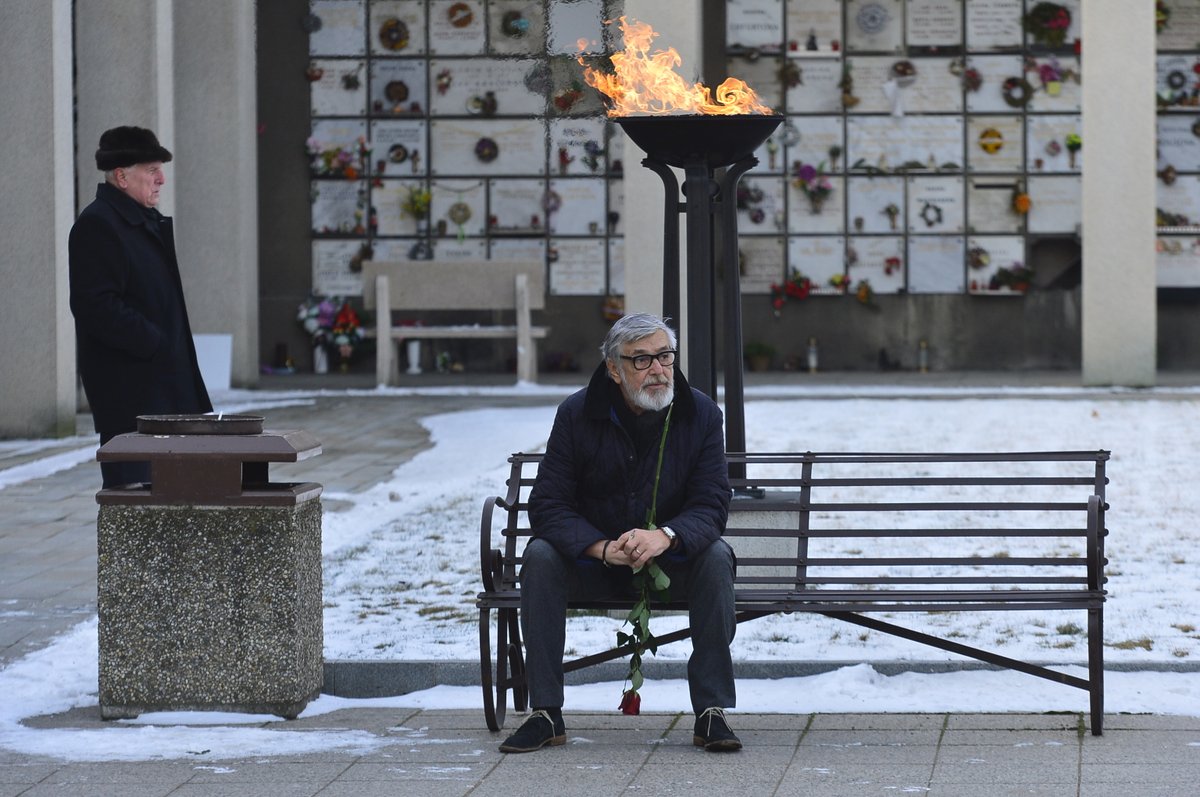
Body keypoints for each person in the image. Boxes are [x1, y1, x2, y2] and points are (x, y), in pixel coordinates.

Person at [500, 313, 740, 754]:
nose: (658, 370)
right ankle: (546, 713)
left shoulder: (701, 413)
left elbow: (711, 504)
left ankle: (712, 712)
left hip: (672, 563)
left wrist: (665, 536)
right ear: (614, 368)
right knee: (539, 558)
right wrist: (603, 547)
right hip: (595, 564)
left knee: (717, 557)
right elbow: (548, 505)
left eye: (665, 356)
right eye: (642, 360)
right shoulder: (577, 414)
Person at [69, 126, 212, 488]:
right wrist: (155, 343)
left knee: (176, 505)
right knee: (137, 510)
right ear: (121, 176)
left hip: (165, 395)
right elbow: (95, 305)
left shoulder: (140, 221)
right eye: (151, 170)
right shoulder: (99, 225)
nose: (162, 179)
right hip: (134, 401)